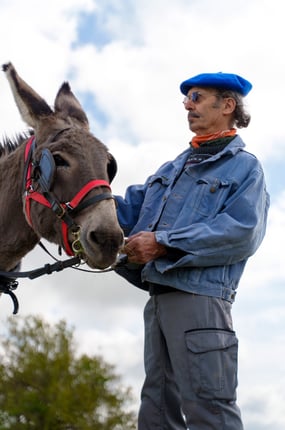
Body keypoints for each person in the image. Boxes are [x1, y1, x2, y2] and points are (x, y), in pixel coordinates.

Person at [114, 72, 270, 430]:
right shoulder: (170, 169)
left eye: (197, 97)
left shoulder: (245, 168)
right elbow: (124, 213)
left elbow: (242, 232)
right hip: (157, 300)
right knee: (155, 411)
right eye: (187, 98)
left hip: (200, 300)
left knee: (209, 411)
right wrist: (79, 199)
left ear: (227, 105)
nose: (187, 104)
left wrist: (163, 243)